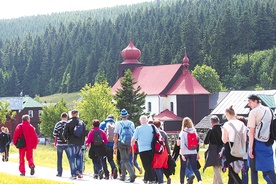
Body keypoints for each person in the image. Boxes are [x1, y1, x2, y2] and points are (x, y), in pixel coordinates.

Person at [247, 94, 276, 183]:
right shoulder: (269, 110)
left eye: (250, 102)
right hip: (268, 142)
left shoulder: (253, 112)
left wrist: (250, 148)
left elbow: (251, 132)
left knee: (253, 169)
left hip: (256, 143)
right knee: (269, 169)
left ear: (256, 101)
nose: (249, 104)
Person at [222, 105, 247, 184]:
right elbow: (245, 138)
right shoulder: (242, 124)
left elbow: (224, 139)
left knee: (232, 170)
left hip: (230, 147)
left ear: (228, 114)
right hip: (240, 147)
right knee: (233, 171)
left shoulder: (227, 124)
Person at [114, 108, 136, 182]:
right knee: (124, 159)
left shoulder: (118, 124)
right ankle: (123, 176)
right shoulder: (131, 123)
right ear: (127, 116)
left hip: (121, 142)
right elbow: (134, 133)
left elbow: (116, 135)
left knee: (124, 159)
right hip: (129, 143)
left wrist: (115, 144)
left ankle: (132, 174)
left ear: (121, 116)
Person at [131, 115, 156, 184]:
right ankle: (146, 179)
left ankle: (152, 179)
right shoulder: (152, 127)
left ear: (140, 121)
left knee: (146, 165)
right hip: (152, 148)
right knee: (150, 164)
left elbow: (133, 139)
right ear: (147, 120)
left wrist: (132, 145)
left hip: (142, 149)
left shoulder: (138, 128)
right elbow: (158, 135)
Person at [63, 109, 86, 180]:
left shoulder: (68, 123)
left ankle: (73, 174)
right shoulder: (81, 123)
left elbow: (64, 134)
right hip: (79, 143)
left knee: (72, 158)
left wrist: (66, 139)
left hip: (71, 142)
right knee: (79, 157)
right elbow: (84, 133)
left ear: (71, 114)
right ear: (77, 114)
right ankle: (79, 171)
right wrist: (82, 142)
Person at [179, 117, 202, 184]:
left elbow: (182, 144)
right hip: (193, 152)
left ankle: (182, 182)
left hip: (185, 152)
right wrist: (197, 153)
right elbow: (197, 143)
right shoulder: (194, 132)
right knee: (194, 168)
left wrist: (182, 154)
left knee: (183, 168)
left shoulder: (183, 132)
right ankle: (200, 180)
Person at [203, 115, 224, 184]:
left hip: (213, 150)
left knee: (216, 167)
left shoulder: (211, 130)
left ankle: (220, 182)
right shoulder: (223, 129)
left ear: (212, 122)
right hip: (222, 149)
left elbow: (205, 142)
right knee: (218, 167)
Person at [99, 114, 118, 179]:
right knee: (110, 159)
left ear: (107, 117)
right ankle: (114, 168)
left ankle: (106, 175)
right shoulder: (115, 124)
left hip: (104, 145)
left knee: (103, 159)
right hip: (111, 145)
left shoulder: (102, 124)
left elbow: (99, 134)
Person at [152, 120, 170, 184]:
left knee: (157, 167)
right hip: (164, 151)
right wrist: (169, 152)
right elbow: (167, 144)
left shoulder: (153, 133)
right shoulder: (163, 133)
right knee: (161, 166)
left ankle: (160, 181)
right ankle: (160, 180)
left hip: (157, 152)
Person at [53, 112, 69, 177]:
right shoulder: (69, 123)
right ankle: (73, 172)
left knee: (59, 158)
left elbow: (54, 134)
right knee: (70, 158)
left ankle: (59, 172)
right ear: (67, 117)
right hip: (67, 144)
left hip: (59, 144)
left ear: (61, 117)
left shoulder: (58, 124)